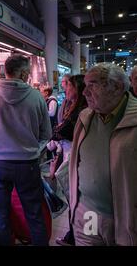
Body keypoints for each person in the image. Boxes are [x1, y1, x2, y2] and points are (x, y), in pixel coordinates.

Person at [69, 63, 137, 246]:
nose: (84, 92)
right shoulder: (85, 117)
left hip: (128, 222)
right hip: (87, 214)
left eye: (92, 85)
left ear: (117, 87)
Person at [0, 55, 52, 246]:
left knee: (1, 214)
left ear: (6, 70)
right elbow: (46, 133)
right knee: (34, 214)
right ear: (23, 73)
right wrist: (31, 148)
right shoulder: (36, 96)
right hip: (28, 165)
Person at [47, 75, 88, 246]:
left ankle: (79, 237)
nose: (66, 89)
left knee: (78, 200)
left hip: (77, 159)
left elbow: (60, 131)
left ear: (76, 88)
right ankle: (76, 235)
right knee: (76, 200)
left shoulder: (81, 109)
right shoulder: (73, 105)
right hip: (72, 155)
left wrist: (52, 137)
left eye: (68, 86)